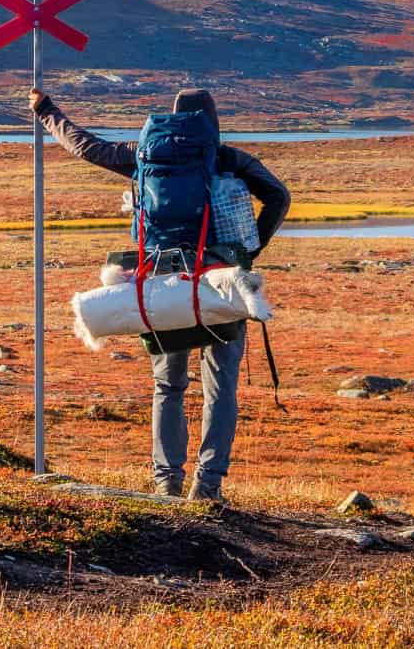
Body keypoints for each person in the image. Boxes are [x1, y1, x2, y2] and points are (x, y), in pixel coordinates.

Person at [29, 86, 290, 503]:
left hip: (162, 284)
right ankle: (207, 487)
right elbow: (279, 195)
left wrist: (46, 111)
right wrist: (252, 247)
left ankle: (165, 483)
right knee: (221, 387)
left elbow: (87, 147)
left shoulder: (146, 154)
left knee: (168, 385)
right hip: (220, 280)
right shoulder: (226, 158)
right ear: (212, 120)